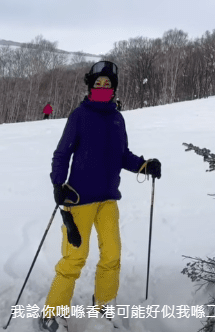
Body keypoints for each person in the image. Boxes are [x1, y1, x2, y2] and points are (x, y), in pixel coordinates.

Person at [39, 61, 161, 332]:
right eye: (98, 83)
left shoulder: (118, 118)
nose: (103, 88)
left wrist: (144, 165)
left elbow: (122, 155)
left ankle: (104, 303)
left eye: (108, 84)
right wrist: (58, 185)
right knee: (74, 258)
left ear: (114, 88)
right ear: (90, 86)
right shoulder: (79, 115)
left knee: (112, 255)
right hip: (78, 200)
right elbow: (62, 154)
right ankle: (53, 313)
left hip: (108, 200)